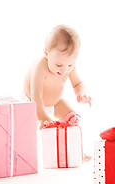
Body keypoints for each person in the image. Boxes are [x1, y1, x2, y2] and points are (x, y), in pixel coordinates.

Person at [23, 25, 92, 161]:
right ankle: (23, 156)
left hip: (55, 102)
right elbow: (35, 95)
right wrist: (42, 117)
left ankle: (76, 151)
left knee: (72, 120)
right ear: (46, 54)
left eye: (70, 65)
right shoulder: (40, 66)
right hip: (31, 103)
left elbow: (78, 84)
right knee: (25, 135)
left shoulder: (68, 67)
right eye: (59, 65)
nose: (65, 70)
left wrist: (81, 93)